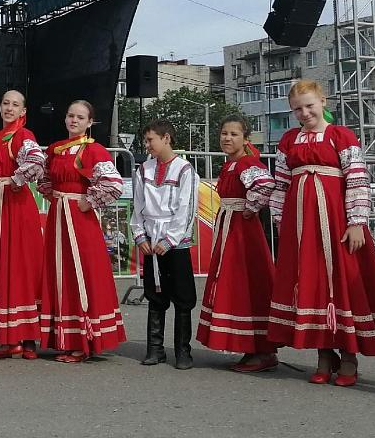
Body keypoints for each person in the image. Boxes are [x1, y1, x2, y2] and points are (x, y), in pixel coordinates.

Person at [267, 80, 375, 384]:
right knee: (310, 283)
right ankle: (324, 353)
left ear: (323, 102)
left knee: (341, 283)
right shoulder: (288, 141)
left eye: (309, 105)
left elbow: (357, 180)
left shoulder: (341, 136)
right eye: (297, 109)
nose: (304, 112)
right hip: (302, 227)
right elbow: (280, 185)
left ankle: (349, 355)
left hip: (336, 223)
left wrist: (356, 222)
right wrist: (280, 221)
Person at [38, 100, 126, 363]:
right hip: (58, 217)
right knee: (60, 272)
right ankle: (65, 338)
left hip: (79, 219)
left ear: (90, 123)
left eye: (79, 117)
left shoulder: (94, 151)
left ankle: (84, 340)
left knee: (81, 273)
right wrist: (50, 190)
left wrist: (90, 200)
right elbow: (44, 178)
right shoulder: (54, 149)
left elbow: (113, 184)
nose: (73, 120)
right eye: (70, 115)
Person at [196, 115, 278, 372]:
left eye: (233, 134)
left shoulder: (247, 163)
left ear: (246, 139)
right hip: (230, 227)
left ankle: (262, 349)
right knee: (233, 284)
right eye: (224, 133)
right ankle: (249, 346)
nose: (227, 138)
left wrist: (249, 208)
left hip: (243, 232)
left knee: (247, 283)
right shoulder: (230, 165)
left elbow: (265, 185)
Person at [0, 89, 47, 359]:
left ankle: (26, 337)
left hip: (17, 207)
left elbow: (36, 162)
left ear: (23, 112)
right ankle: (8, 337)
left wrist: (14, 180)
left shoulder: (23, 136)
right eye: (5, 103)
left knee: (22, 265)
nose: (9, 108)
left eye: (15, 104)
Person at [131, 119, 199, 369]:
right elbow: (137, 206)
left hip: (175, 242)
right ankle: (155, 349)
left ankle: (183, 351)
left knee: (182, 297)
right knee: (155, 294)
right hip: (151, 240)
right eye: (146, 140)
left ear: (166, 138)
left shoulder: (184, 169)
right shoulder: (143, 170)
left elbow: (187, 208)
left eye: (151, 140)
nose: (147, 145)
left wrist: (170, 239)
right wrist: (140, 235)